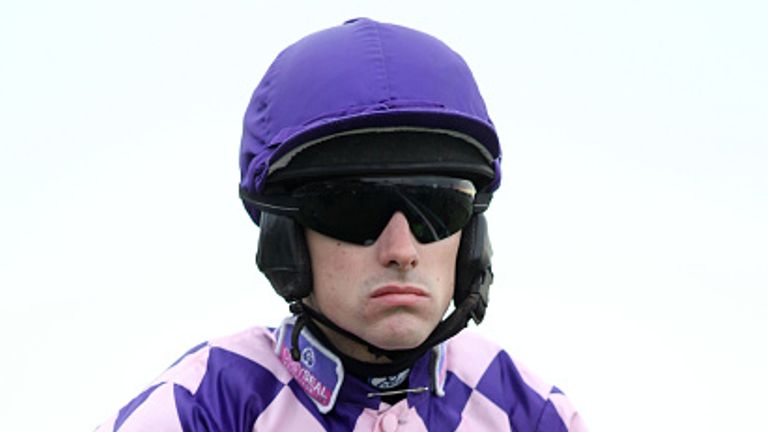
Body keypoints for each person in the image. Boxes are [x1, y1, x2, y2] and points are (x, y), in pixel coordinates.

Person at [96, 18, 587, 431]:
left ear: (472, 238)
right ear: (284, 242)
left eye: (437, 208)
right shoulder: (202, 408)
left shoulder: (533, 415)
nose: (402, 249)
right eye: (355, 208)